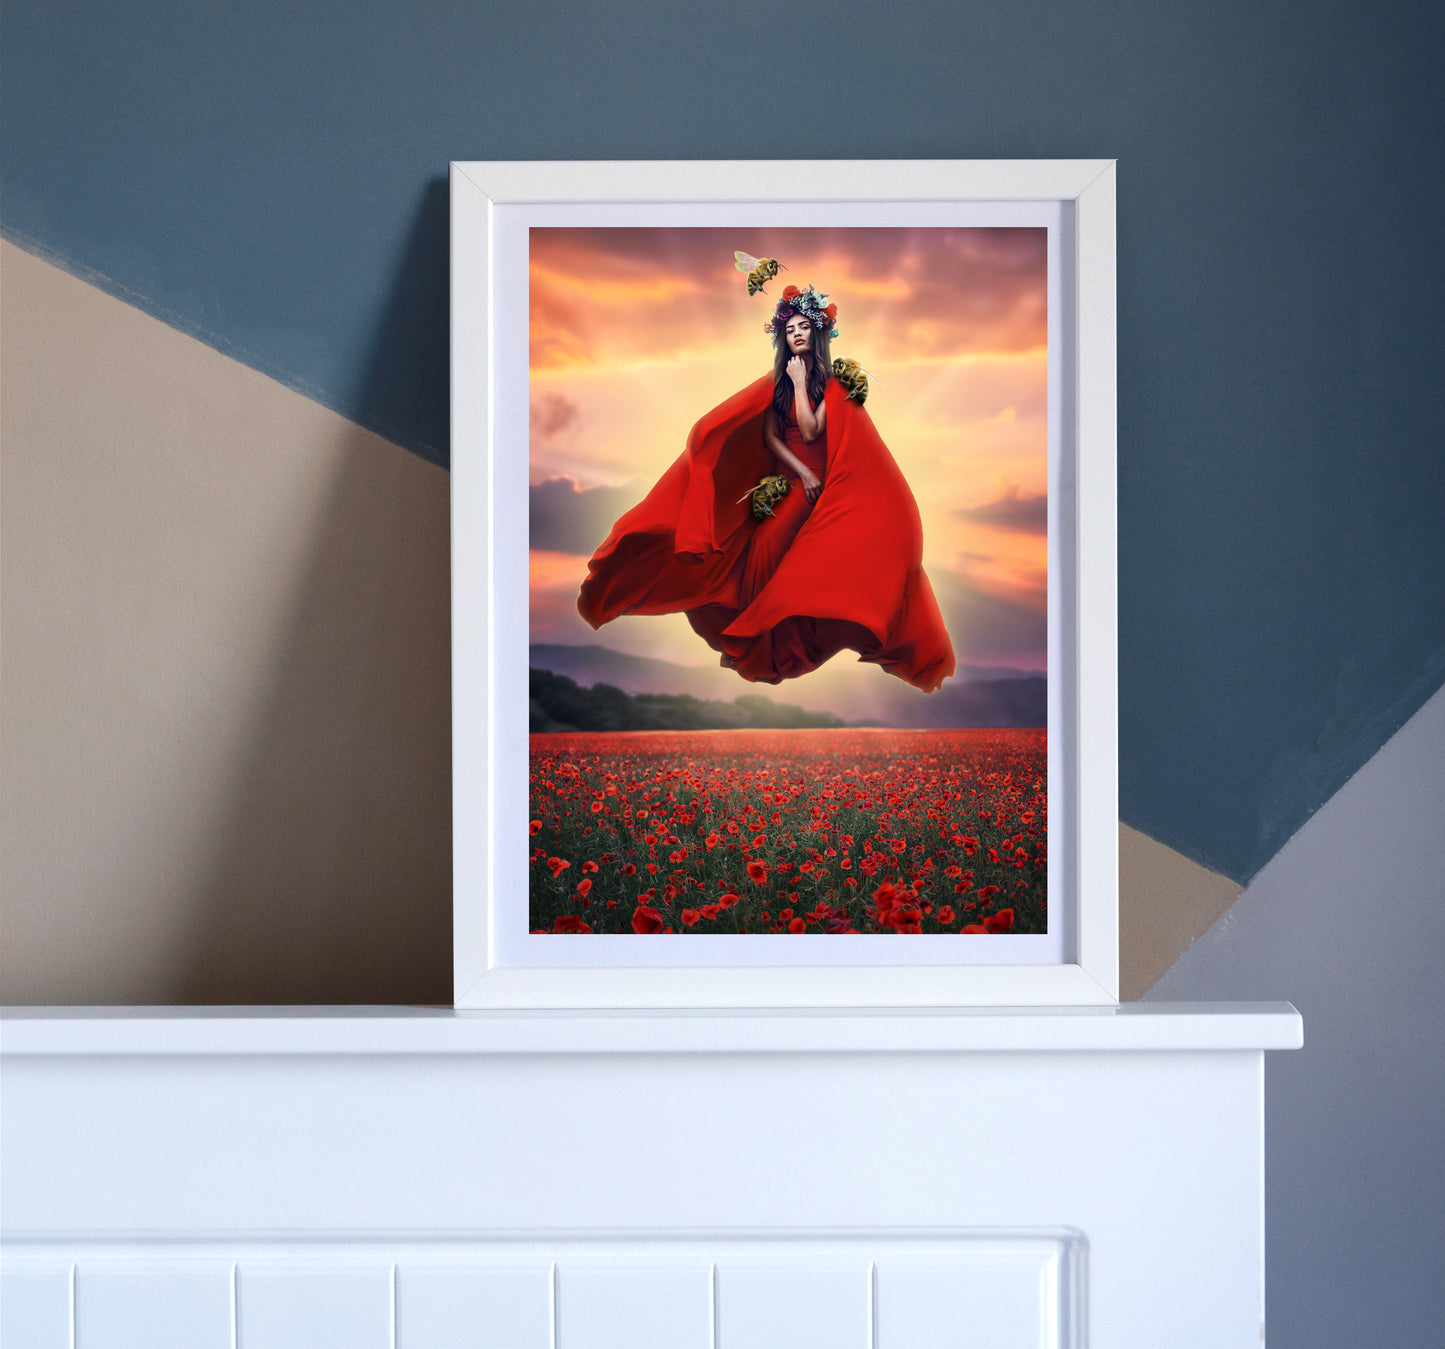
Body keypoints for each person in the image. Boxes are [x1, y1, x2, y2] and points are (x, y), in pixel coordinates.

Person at [576, 283, 955, 692]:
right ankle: (767, 642)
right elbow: (772, 437)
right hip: (793, 480)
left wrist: (798, 398)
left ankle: (784, 644)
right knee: (756, 546)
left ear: (818, 335)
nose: (796, 334)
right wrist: (798, 470)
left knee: (776, 543)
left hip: (819, 490)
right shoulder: (777, 382)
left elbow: (809, 431)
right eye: (789, 328)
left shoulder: (834, 385)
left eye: (804, 327)